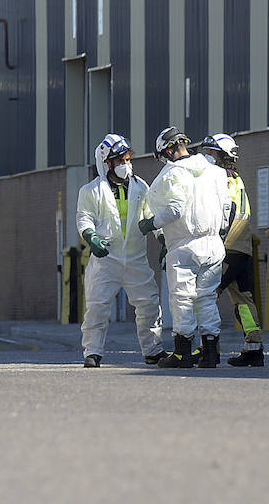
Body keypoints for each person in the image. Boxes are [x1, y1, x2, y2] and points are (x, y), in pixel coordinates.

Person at [139, 126, 231, 369]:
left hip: (184, 246)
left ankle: (182, 353)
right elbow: (226, 209)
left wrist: (150, 224)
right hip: (213, 245)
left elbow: (175, 209)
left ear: (167, 152)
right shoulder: (215, 172)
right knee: (207, 299)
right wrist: (218, 233)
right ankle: (211, 353)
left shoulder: (172, 174)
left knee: (182, 300)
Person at [77, 134, 166, 367]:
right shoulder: (91, 191)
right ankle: (92, 352)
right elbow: (84, 218)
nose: (126, 165)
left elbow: (150, 216)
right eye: (120, 161)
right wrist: (91, 237)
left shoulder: (141, 187)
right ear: (106, 163)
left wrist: (163, 240)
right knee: (97, 306)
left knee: (148, 304)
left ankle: (153, 350)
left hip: (136, 257)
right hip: (106, 258)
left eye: (128, 159)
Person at [200, 133, 264, 367]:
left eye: (210, 153)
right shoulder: (236, 178)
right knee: (243, 299)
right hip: (243, 248)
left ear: (220, 155)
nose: (206, 157)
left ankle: (208, 349)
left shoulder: (220, 180)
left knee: (206, 296)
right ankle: (254, 349)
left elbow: (223, 213)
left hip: (226, 247)